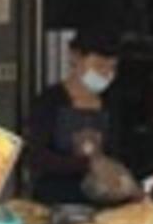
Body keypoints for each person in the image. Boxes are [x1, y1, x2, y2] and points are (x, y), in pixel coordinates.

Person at [27, 26, 122, 205]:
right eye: (99, 65)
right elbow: (36, 157)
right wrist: (88, 164)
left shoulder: (111, 104)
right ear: (75, 57)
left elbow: (115, 154)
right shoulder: (49, 101)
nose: (106, 74)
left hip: (100, 202)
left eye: (112, 68)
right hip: (54, 201)